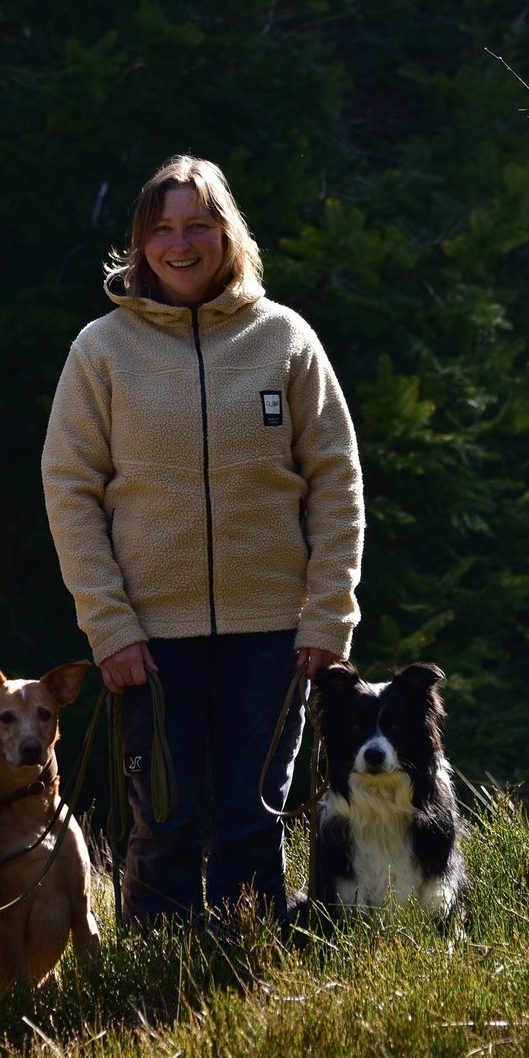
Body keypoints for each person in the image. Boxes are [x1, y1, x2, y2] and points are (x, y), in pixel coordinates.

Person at [41, 155, 364, 928]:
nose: (180, 244)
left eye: (197, 225)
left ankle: (244, 990)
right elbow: (71, 489)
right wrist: (108, 624)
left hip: (275, 634)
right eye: (163, 230)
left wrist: (329, 617)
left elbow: (336, 481)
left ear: (227, 234)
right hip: (150, 641)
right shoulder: (101, 348)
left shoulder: (285, 337)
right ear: (141, 244)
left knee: (254, 819)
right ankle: (155, 993)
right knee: (164, 825)